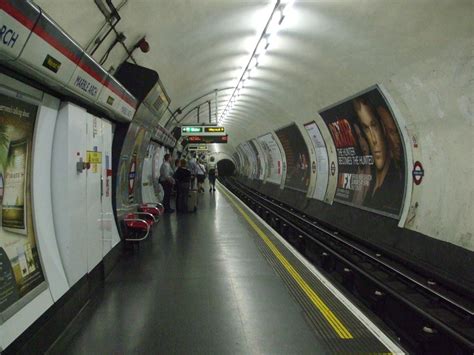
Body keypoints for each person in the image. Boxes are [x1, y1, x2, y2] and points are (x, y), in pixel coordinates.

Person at [353, 97, 403, 213]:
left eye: (374, 126)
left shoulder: (396, 184)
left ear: (383, 128)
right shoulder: (370, 181)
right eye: (366, 128)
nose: (374, 139)